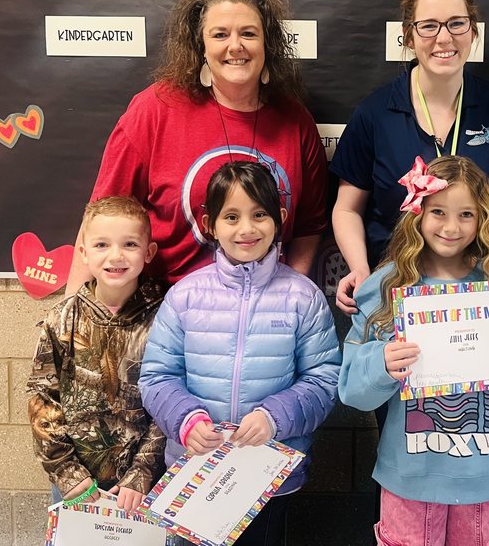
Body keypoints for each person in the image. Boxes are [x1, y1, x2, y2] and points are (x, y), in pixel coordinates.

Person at [339, 155, 489, 546]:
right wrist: (381, 363)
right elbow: (352, 390)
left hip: (485, 476)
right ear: (418, 213)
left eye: (466, 214)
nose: (451, 227)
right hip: (409, 474)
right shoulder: (384, 286)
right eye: (439, 212)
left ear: (483, 219)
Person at [71, 0, 328, 288]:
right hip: (164, 307)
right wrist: (70, 318)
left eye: (248, 33)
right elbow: (100, 218)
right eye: (220, 34)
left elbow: (308, 227)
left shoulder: (296, 121)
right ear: (201, 45)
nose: (236, 46)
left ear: (267, 44)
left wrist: (289, 295)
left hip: (264, 310)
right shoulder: (155, 109)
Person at [140, 161, 340, 545]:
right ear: (209, 224)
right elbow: (157, 376)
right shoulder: (185, 295)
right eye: (231, 216)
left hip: (267, 477)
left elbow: (323, 379)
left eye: (259, 214)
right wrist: (186, 421)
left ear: (279, 219)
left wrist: (274, 417)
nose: (246, 229)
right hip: (194, 471)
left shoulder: (302, 297)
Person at [332, 0, 489, 314]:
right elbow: (347, 208)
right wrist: (362, 269)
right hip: (397, 289)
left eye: (457, 24)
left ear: (473, 31)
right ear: (409, 36)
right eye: (429, 26)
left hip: (483, 289)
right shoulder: (375, 114)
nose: (444, 38)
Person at [27, 196, 166, 513]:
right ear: (84, 253)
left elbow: (171, 400)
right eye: (102, 245)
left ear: (149, 252)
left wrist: (142, 473)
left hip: (144, 485)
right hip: (76, 483)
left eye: (129, 244)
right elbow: (42, 398)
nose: (115, 255)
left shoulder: (166, 318)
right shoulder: (63, 319)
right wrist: (67, 473)